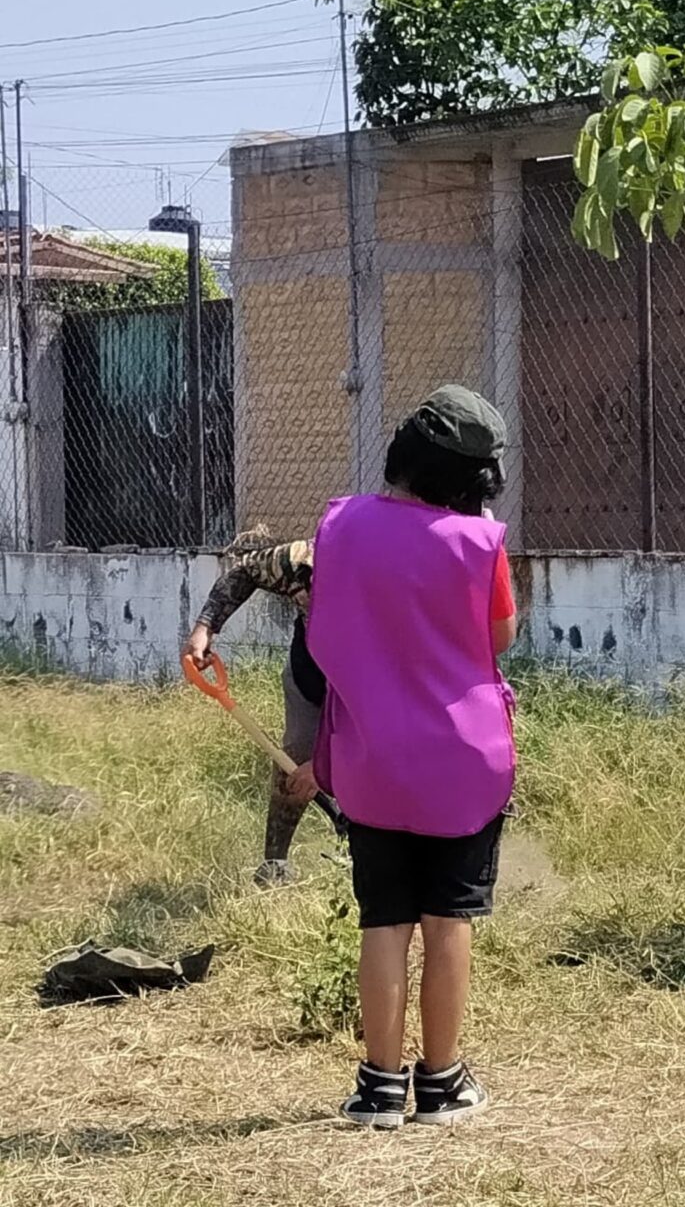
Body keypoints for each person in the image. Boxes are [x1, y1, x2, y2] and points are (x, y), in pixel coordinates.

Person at [288, 384, 519, 1128]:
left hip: (370, 763)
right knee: (448, 919)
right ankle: (443, 1082)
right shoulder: (480, 545)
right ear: (471, 482)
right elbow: (501, 638)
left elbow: (328, 628)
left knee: (383, 920)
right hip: (462, 767)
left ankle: (379, 1087)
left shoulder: (340, 525)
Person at [184, 527, 325, 886]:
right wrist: (205, 629)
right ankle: (274, 866)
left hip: (373, 687)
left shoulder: (390, 586)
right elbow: (244, 570)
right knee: (293, 766)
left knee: (371, 768)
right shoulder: (301, 560)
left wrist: (329, 765)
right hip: (311, 677)